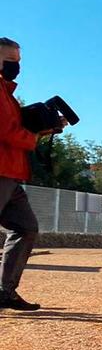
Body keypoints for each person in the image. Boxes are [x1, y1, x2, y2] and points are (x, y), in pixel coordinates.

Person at [0, 38, 62, 312]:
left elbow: (15, 127)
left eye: (19, 61)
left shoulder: (7, 93)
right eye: (11, 60)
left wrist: (43, 126)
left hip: (11, 173)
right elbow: (7, 132)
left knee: (26, 228)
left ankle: (5, 293)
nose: (17, 66)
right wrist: (35, 136)